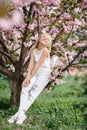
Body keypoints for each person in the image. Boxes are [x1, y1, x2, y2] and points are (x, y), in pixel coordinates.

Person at [8, 32, 52, 125]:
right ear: (39, 38)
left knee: (33, 93)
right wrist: (28, 76)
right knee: (25, 88)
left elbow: (38, 65)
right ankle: (21, 115)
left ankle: (18, 115)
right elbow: (31, 64)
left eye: (48, 39)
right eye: (44, 37)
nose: (46, 39)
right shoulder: (33, 49)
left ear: (49, 43)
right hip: (35, 72)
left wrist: (29, 77)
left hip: (44, 73)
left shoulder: (45, 51)